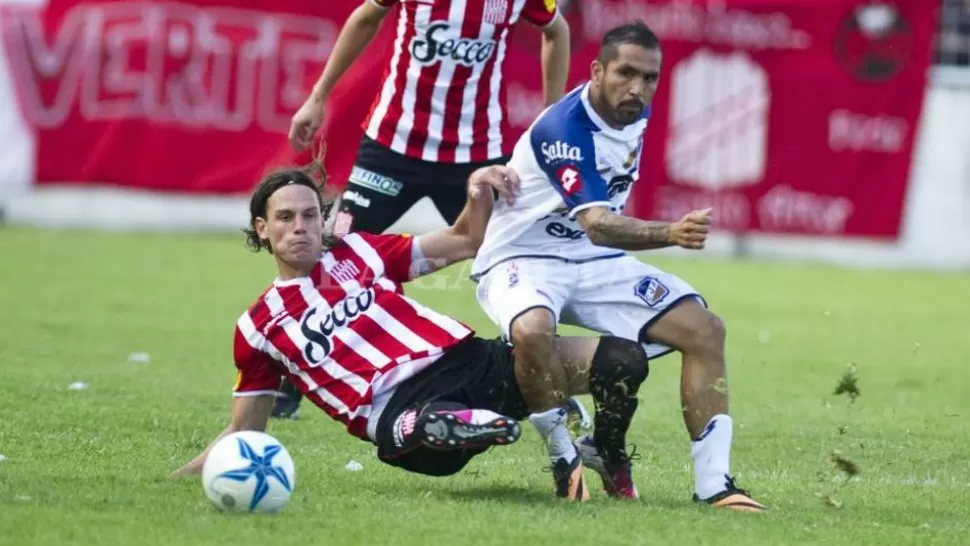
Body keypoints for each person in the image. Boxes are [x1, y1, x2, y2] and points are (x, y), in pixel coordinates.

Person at [171, 161, 649, 504]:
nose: (301, 227)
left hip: (474, 362)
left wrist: (478, 188)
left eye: (311, 214)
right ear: (262, 229)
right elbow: (244, 432)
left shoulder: (362, 252)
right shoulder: (258, 327)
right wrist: (181, 477)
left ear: (324, 219)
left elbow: (465, 241)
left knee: (625, 360)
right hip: (397, 407)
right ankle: (461, 422)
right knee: (423, 426)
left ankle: (600, 450)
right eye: (285, 218)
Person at [470, 21, 767, 512]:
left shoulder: (634, 112)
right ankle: (564, 457)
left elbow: (596, 237)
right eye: (626, 73)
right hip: (523, 256)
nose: (638, 88)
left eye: (650, 78)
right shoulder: (564, 128)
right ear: (596, 70)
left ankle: (716, 486)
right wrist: (670, 233)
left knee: (705, 330)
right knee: (531, 330)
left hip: (590, 261)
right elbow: (597, 224)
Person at [274, 0, 573, 420]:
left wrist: (549, 117)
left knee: (516, 262)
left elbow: (556, 30)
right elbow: (366, 15)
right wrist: (317, 96)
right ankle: (290, 385)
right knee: (332, 255)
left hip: (476, 157)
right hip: (391, 146)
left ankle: (537, 379)